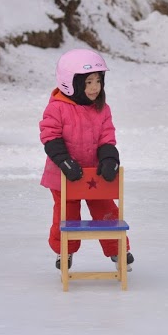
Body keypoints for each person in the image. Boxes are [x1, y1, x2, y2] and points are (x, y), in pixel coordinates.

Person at [39, 48, 133, 271]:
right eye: (88, 82)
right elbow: (50, 135)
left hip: (94, 174)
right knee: (66, 215)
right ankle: (65, 251)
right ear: (69, 82)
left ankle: (118, 250)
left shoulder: (102, 109)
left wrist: (109, 159)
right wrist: (63, 161)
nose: (94, 88)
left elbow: (107, 136)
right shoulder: (57, 107)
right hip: (63, 174)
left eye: (98, 81)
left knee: (106, 210)